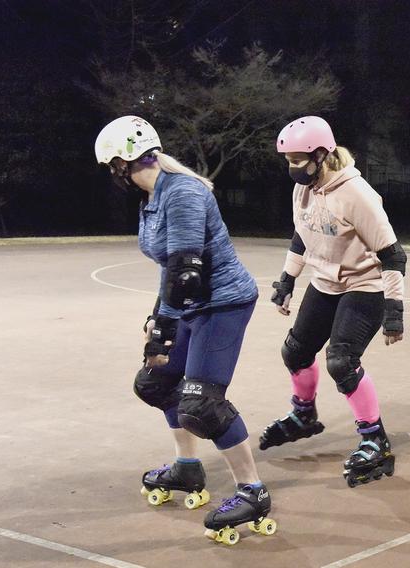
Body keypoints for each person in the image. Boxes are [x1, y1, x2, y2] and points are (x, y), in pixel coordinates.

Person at [94, 116, 274, 545]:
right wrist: (160, 317)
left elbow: (186, 271)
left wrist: (163, 331)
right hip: (190, 304)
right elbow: (169, 269)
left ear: (123, 161)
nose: (112, 175)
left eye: (111, 166)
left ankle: (253, 491)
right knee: (156, 383)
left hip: (223, 303)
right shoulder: (153, 197)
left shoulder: (183, 193)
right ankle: (188, 469)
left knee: (202, 405)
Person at [259, 116, 405, 487]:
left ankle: (375, 440)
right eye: (287, 160)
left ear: (322, 154)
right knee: (295, 352)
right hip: (325, 281)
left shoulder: (357, 194)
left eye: (297, 159)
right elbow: (301, 237)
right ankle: (303, 415)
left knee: (341, 361)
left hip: (365, 282)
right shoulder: (304, 190)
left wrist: (394, 311)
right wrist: (287, 280)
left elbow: (392, 255)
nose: (292, 167)